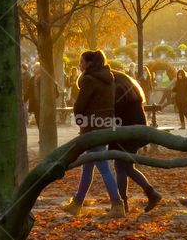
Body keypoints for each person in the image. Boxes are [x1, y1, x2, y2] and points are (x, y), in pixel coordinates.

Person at [60, 50, 123, 217]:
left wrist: (80, 119)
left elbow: (79, 106)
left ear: (89, 63)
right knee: (87, 167)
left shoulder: (89, 80)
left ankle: (117, 205)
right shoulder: (108, 78)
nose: (79, 65)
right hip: (105, 125)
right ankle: (77, 203)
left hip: (92, 128)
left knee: (103, 166)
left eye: (81, 62)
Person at [110, 69, 162, 213]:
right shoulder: (129, 87)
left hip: (126, 133)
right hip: (135, 131)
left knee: (121, 167)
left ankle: (122, 202)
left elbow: (115, 113)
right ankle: (151, 194)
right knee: (127, 168)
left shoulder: (118, 90)